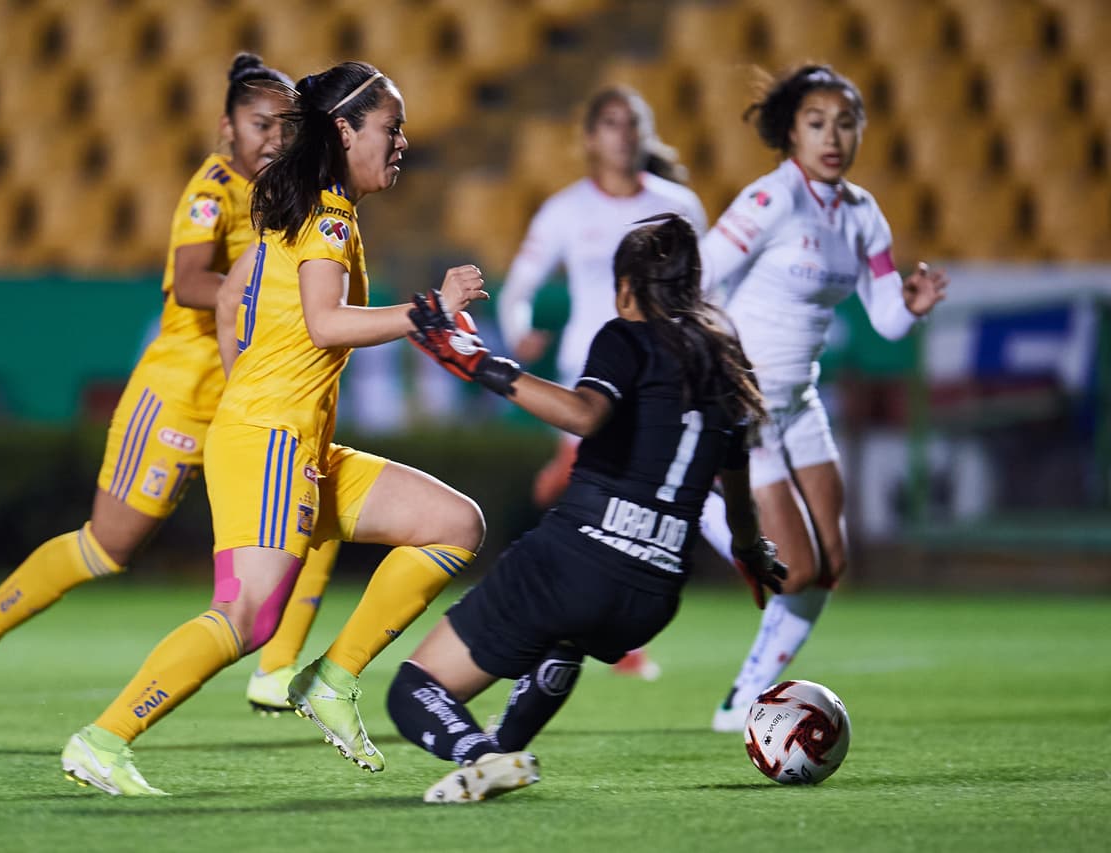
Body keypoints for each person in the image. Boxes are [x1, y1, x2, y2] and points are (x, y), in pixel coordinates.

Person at [59, 61, 490, 796]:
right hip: (270, 441)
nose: (403, 142)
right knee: (249, 617)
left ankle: (334, 677)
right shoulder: (325, 214)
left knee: (454, 524)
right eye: (392, 128)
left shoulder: (309, 208)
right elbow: (324, 323)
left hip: (294, 442)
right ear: (346, 130)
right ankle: (103, 738)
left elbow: (245, 307)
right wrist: (429, 311)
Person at [0, 54, 351, 710]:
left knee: (324, 505)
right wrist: (267, 298)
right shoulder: (212, 189)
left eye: (285, 125)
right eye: (259, 124)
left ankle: (276, 671)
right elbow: (189, 282)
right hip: (179, 397)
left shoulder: (287, 192)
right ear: (226, 128)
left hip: (251, 402)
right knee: (109, 546)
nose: (273, 137)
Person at [389, 213, 787, 803]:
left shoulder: (625, 337)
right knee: (565, 637)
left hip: (579, 558)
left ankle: (481, 756)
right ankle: (502, 752)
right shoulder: (723, 363)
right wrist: (752, 555)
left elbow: (584, 414)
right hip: (653, 594)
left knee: (413, 691)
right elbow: (737, 493)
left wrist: (479, 362)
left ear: (626, 287)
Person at [696, 65, 948, 733]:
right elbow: (696, 273)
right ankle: (704, 511)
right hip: (745, 403)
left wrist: (914, 306)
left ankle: (742, 697)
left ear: (861, 131)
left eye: (845, 122)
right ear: (791, 132)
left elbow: (888, 316)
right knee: (797, 564)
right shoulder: (770, 200)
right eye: (816, 122)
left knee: (832, 565)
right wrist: (709, 365)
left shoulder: (862, 212)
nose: (832, 136)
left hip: (799, 400)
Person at [497, 86, 709, 681]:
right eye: (610, 123)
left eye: (632, 123)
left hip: (661, 373)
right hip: (589, 376)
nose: (622, 134)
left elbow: (706, 291)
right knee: (585, 490)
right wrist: (519, 331)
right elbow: (519, 287)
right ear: (590, 137)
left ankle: (591, 625)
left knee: (611, 496)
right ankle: (554, 607)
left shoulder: (680, 205)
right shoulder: (566, 210)